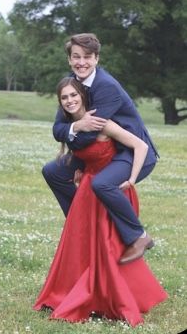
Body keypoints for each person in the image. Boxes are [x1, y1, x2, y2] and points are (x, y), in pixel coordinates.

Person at [33, 78, 168, 326]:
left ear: (83, 97)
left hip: (109, 189)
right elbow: (83, 153)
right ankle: (78, 294)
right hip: (88, 189)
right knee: (82, 244)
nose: (70, 100)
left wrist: (132, 178)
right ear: (60, 103)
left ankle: (112, 298)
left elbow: (140, 146)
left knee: (106, 249)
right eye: (65, 98)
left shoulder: (101, 123)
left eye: (74, 95)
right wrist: (81, 167)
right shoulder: (72, 126)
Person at [42, 33, 159, 264]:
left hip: (130, 152)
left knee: (102, 183)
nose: (81, 62)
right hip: (99, 151)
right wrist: (78, 125)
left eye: (87, 57)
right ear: (69, 60)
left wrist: (75, 130)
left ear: (96, 59)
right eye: (76, 57)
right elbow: (58, 130)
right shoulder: (71, 83)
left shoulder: (107, 87)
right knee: (53, 171)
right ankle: (79, 219)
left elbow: (88, 138)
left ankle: (139, 236)